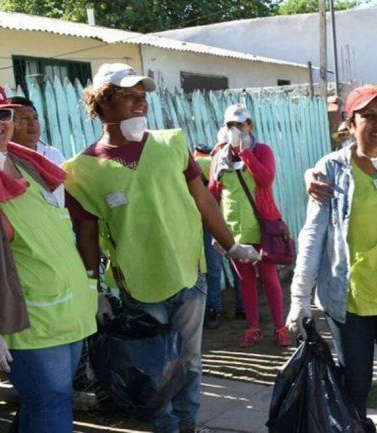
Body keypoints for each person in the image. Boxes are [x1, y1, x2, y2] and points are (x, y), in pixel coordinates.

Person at [63, 63, 258, 433]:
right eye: (128, 96)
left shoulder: (171, 143)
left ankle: (188, 425)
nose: (140, 104)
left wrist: (231, 246)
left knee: (190, 360)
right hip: (137, 284)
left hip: (188, 274)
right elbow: (85, 236)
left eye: (143, 97)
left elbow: (203, 200)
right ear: (102, 104)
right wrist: (94, 290)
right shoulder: (82, 171)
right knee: (152, 366)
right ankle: (165, 428)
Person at [287, 84, 377, 433]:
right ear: (350, 123)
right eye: (368, 116)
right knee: (356, 385)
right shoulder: (331, 169)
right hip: (352, 300)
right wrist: (299, 298)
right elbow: (313, 234)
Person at [0, 80, 97, 432]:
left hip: (67, 310)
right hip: (30, 320)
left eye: (2, 114)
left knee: (49, 403)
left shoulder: (29, 165)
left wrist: (91, 287)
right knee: (50, 404)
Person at [209, 104, 291, 348]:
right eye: (231, 125)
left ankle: (280, 327)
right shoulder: (219, 156)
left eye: (240, 124)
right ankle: (253, 327)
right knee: (244, 281)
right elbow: (213, 193)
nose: (236, 129)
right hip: (234, 231)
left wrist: (246, 154)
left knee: (269, 278)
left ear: (250, 125)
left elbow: (266, 179)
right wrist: (217, 231)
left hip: (262, 228)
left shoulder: (262, 151)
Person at [194, 145, 243, 329]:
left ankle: (214, 310)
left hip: (212, 220)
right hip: (228, 217)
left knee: (213, 268)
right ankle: (242, 306)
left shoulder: (199, 163)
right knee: (236, 262)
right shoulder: (221, 160)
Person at [8, 96, 66, 205]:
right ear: (8, 123)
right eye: (24, 118)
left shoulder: (53, 154)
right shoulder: (4, 159)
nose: (32, 123)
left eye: (35, 118)